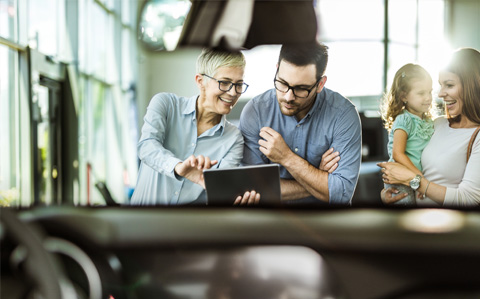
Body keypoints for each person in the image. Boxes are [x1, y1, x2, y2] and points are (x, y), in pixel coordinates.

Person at [378, 48, 480, 207]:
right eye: (440, 86)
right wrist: (387, 195)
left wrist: (414, 180)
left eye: (449, 85)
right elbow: (405, 158)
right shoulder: (437, 124)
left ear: (472, 86)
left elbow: (468, 200)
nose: (440, 94)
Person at [131, 48, 259, 206]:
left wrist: (234, 201)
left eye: (238, 85)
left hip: (188, 228)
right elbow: (146, 147)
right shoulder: (165, 104)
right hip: (140, 224)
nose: (233, 93)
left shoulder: (234, 139)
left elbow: (219, 194)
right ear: (200, 81)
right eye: (224, 83)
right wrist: (177, 167)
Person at [239, 42, 362, 205]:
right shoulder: (255, 112)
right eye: (282, 83)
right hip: (274, 221)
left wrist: (287, 157)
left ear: (320, 84)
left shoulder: (343, 115)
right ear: (276, 69)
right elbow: (254, 188)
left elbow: (341, 194)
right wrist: (318, 177)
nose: (288, 97)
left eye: (301, 88)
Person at [380, 63, 434, 205]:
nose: (428, 97)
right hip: (400, 181)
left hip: (415, 179)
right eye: (421, 93)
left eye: (430, 92)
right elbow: (398, 154)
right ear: (404, 96)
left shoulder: (429, 121)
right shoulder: (404, 120)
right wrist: (420, 177)